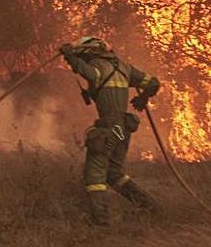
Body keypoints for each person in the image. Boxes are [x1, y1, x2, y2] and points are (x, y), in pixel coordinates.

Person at [60, 36, 161, 226]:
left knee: (94, 175)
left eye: (84, 55)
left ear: (89, 53)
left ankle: (101, 221)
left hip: (108, 128)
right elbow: (153, 83)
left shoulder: (96, 66)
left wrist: (70, 56)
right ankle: (149, 206)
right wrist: (143, 98)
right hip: (123, 128)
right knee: (114, 173)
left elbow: (87, 71)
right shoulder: (124, 67)